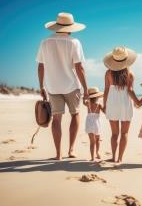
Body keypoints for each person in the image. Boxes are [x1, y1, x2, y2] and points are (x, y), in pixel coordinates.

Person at [36, 12, 88, 160]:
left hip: (52, 86)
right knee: (75, 114)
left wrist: (41, 86)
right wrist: (85, 88)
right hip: (71, 85)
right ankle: (71, 150)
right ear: (71, 27)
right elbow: (79, 68)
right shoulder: (74, 42)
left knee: (56, 119)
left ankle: (58, 154)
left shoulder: (45, 42)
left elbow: (41, 66)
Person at [103, 46, 137, 163]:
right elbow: (130, 90)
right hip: (125, 104)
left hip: (112, 103)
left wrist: (104, 105)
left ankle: (113, 157)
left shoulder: (108, 73)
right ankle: (120, 158)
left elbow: (106, 90)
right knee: (124, 133)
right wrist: (138, 102)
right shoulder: (130, 74)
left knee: (114, 134)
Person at [83, 87, 104, 161]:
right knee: (97, 139)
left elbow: (83, 101)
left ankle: (92, 157)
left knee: (92, 142)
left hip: (89, 123)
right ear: (98, 97)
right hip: (96, 123)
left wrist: (85, 96)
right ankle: (97, 153)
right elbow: (105, 111)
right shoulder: (99, 105)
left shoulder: (87, 103)